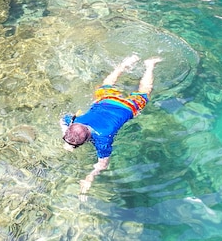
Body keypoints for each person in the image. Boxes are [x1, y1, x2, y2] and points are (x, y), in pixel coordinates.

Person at [60, 54, 162, 196]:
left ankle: (150, 65)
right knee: (106, 86)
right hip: (106, 100)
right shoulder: (77, 121)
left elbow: (103, 164)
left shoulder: (103, 139)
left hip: (128, 107)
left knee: (144, 93)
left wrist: (90, 176)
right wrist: (68, 138)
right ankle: (125, 63)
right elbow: (63, 120)